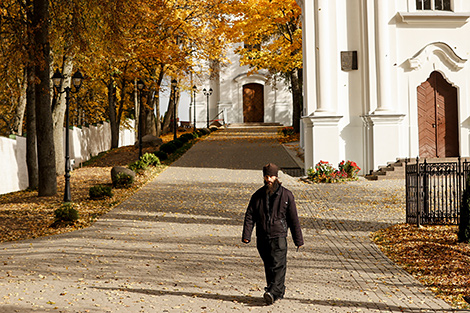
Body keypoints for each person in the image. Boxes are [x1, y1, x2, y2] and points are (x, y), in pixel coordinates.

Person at [242, 163, 304, 305]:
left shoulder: (287, 195)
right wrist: (246, 235)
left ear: (277, 177)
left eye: (271, 176)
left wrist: (298, 239)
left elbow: (293, 219)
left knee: (278, 264)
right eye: (266, 176)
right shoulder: (257, 196)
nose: (269, 179)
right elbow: (250, 216)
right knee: (269, 264)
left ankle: (272, 292)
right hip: (262, 237)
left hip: (279, 235)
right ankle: (276, 291)